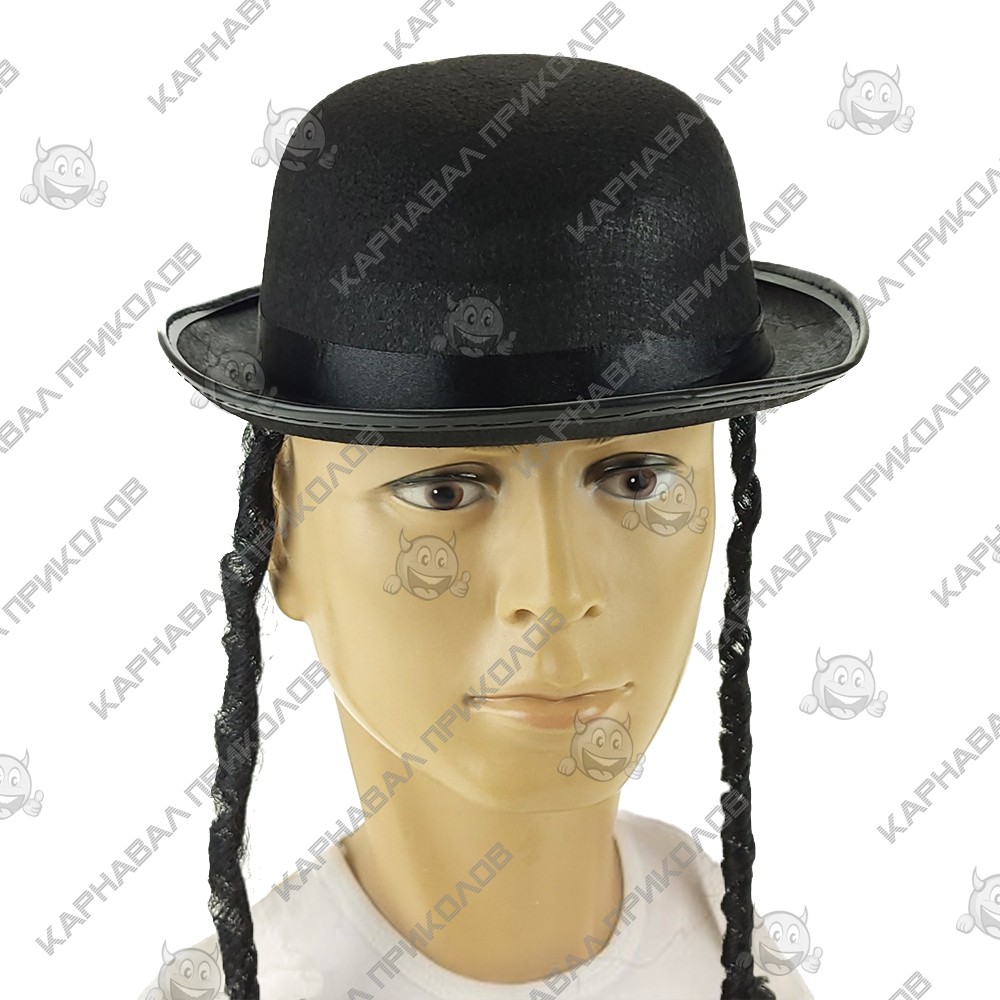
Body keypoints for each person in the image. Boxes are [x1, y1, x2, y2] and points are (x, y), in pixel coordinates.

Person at [139, 52, 868, 1000]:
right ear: (285, 539)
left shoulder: (726, 934)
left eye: (637, 478)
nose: (556, 592)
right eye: (445, 491)